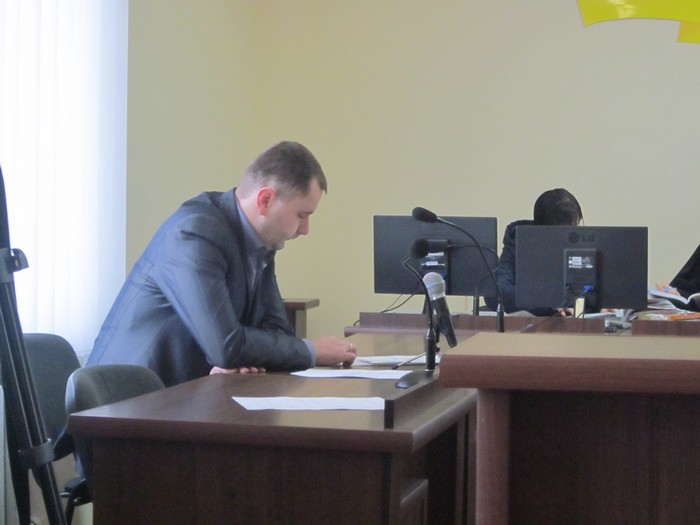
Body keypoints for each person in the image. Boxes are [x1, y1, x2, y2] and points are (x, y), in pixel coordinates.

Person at [86, 141, 357, 386]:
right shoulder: (195, 232)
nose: (305, 229)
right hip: (123, 405)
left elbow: (277, 330)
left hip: (186, 397)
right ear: (265, 200)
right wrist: (311, 351)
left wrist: (244, 357)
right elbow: (226, 346)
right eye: (302, 215)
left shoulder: (262, 244)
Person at [484, 188, 584, 316]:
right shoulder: (517, 242)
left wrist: (598, 306)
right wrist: (546, 303)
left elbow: (589, 292)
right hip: (534, 323)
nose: (573, 235)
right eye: (568, 229)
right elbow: (497, 294)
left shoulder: (579, 244)